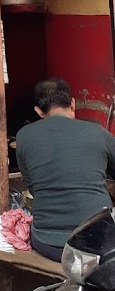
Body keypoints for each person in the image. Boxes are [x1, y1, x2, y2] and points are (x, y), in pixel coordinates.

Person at [16, 77, 115, 261]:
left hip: (48, 243)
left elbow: (32, 187)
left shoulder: (23, 136)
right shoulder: (99, 133)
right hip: (99, 241)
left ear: (39, 111)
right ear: (72, 103)